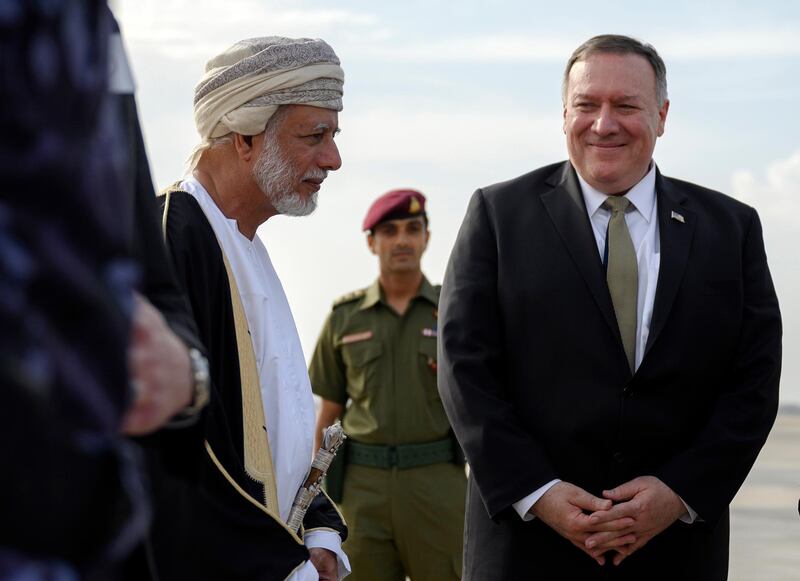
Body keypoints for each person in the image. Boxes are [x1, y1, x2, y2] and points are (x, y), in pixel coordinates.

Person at [438, 34, 782, 581]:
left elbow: (754, 382)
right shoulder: (498, 217)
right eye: (587, 105)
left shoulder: (731, 230)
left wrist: (679, 493)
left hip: (676, 549)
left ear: (662, 115)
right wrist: (541, 494)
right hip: (526, 547)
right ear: (564, 113)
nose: (604, 124)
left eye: (626, 106)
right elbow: (465, 373)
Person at [157, 37, 349, 581]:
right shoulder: (177, 236)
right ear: (244, 137)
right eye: (315, 136)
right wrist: (280, 564)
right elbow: (183, 449)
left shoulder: (248, 245)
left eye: (333, 136)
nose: (333, 159)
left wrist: (319, 532)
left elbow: (280, 426)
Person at [309, 189, 466, 581]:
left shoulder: (455, 313)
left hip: (437, 480)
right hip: (362, 488)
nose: (402, 240)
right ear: (371, 242)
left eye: (413, 229)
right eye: (390, 231)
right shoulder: (345, 318)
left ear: (426, 238)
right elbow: (327, 415)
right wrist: (315, 498)